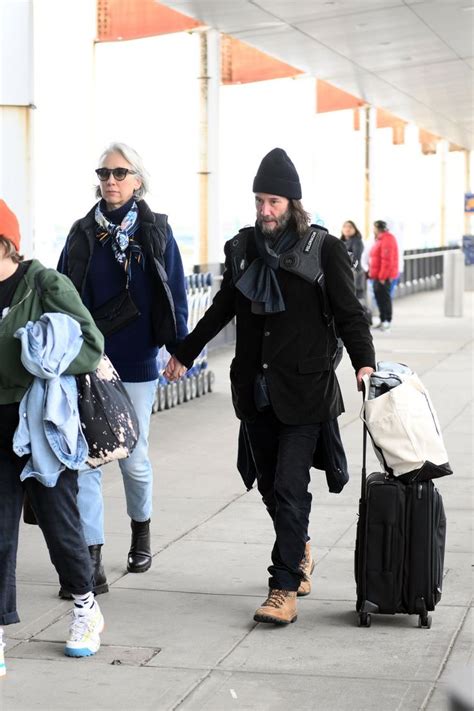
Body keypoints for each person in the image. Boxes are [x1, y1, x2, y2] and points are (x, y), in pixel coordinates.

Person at [165, 148, 375, 625]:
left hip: (305, 392)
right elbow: (221, 308)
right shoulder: (240, 249)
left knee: (289, 485)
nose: (264, 210)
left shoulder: (324, 249)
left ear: (293, 203)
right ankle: (299, 549)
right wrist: (185, 351)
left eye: (273, 202)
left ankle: (282, 588)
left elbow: (349, 312)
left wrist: (364, 363)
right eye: (259, 200)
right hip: (255, 392)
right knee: (268, 487)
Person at [57, 143, 188, 592]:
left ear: (137, 180)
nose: (110, 180)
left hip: (136, 361)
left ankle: (141, 531)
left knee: (133, 457)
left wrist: (179, 349)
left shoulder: (156, 232)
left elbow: (174, 293)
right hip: (89, 361)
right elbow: (60, 295)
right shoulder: (80, 234)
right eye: (104, 173)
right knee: (89, 459)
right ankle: (91, 558)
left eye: (119, 173)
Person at [0, 200, 106, 671]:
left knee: (59, 522)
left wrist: (42, 359)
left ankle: (85, 606)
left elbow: (91, 345)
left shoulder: (43, 283)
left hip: (38, 422)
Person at [369, 220, 399, 332]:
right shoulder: (381, 239)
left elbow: (387, 260)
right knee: (380, 298)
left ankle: (387, 321)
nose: (373, 230)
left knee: (384, 298)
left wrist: (382, 276)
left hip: (383, 277)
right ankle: (383, 320)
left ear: (378, 228)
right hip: (377, 276)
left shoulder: (387, 239)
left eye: (374, 227)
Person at [340, 220, 365, 299]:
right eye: (345, 226)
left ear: (355, 229)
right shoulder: (341, 242)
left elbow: (356, 259)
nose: (347, 229)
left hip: (354, 273)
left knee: (355, 298)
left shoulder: (357, 241)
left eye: (350, 227)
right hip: (344, 273)